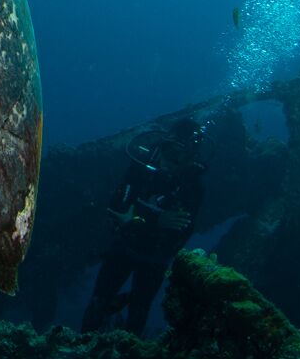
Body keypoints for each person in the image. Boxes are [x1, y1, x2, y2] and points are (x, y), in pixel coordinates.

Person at [81, 117, 207, 336]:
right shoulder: (141, 167)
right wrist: (155, 221)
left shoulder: (192, 185)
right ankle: (85, 345)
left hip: (155, 258)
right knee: (99, 301)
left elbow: (183, 230)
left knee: (138, 313)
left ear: (189, 156)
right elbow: (117, 205)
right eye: (170, 151)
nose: (171, 161)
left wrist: (137, 220)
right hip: (124, 247)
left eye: (180, 155)